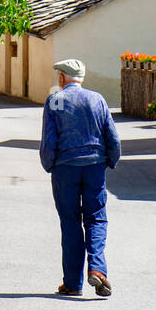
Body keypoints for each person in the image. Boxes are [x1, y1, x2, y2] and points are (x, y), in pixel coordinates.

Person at [39, 58, 121, 297]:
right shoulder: (98, 99)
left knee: (71, 222)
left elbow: (49, 140)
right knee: (96, 218)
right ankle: (97, 269)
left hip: (65, 168)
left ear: (62, 77)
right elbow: (112, 138)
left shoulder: (55, 100)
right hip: (94, 166)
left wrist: (49, 165)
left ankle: (72, 283)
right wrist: (111, 161)